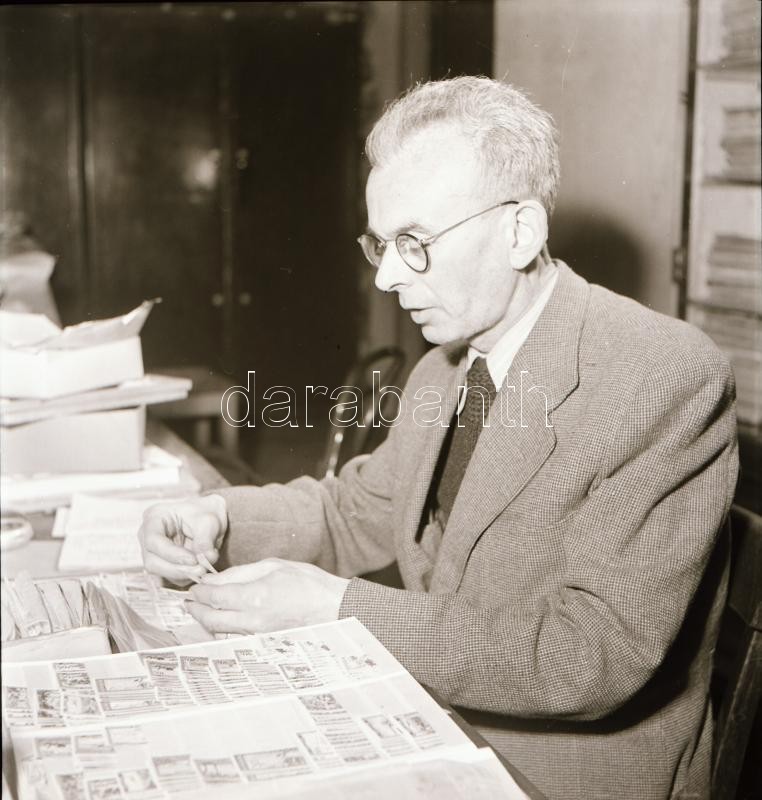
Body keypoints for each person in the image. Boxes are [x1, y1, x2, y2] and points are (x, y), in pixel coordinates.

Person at [139, 77, 738, 799]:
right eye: (381, 244)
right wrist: (220, 516)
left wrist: (340, 608)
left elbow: (590, 655)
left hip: (556, 774)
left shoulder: (662, 376)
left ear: (520, 232)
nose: (387, 278)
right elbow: (358, 510)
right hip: (432, 716)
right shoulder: (447, 365)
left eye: (415, 242)